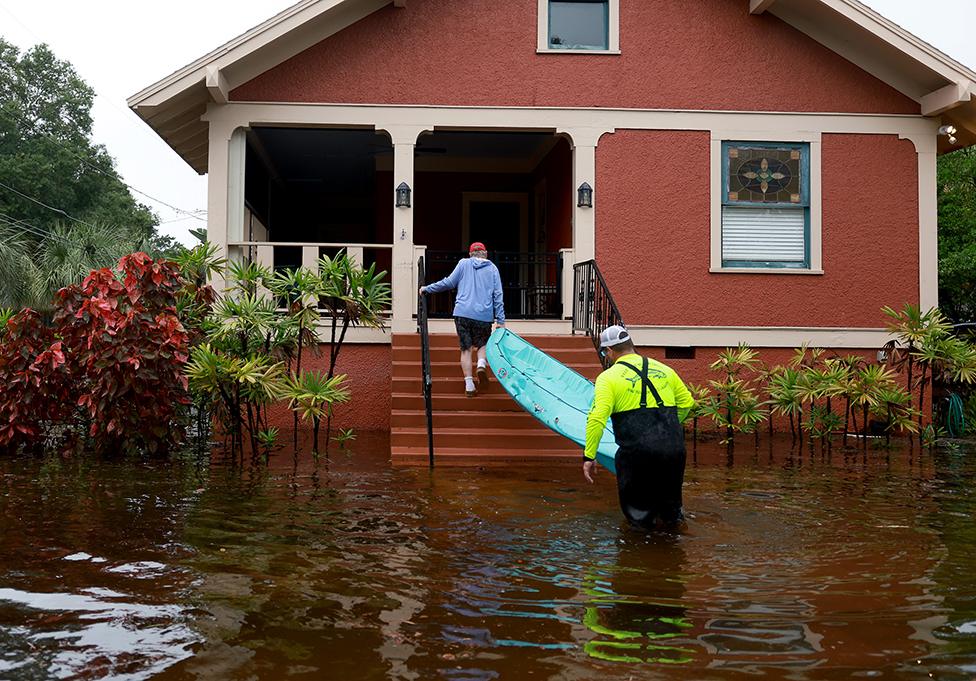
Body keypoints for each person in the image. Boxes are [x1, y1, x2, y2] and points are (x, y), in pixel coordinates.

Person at [583, 325, 695, 528]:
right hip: (674, 450)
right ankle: (673, 552)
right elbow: (687, 403)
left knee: (640, 519)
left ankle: (640, 556)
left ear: (609, 351)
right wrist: (665, 429)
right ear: (630, 346)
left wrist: (589, 456)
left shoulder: (608, 378)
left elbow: (597, 418)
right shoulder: (666, 370)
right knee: (671, 515)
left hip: (638, 454)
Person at [420, 242, 505, 397]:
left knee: (466, 348)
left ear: (470, 254)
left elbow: (448, 283)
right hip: (483, 315)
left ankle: (469, 385)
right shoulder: (493, 269)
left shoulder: (463, 264)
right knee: (482, 344)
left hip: (463, 313)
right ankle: (481, 365)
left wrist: (427, 288)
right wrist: (500, 320)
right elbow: (498, 296)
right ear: (485, 253)